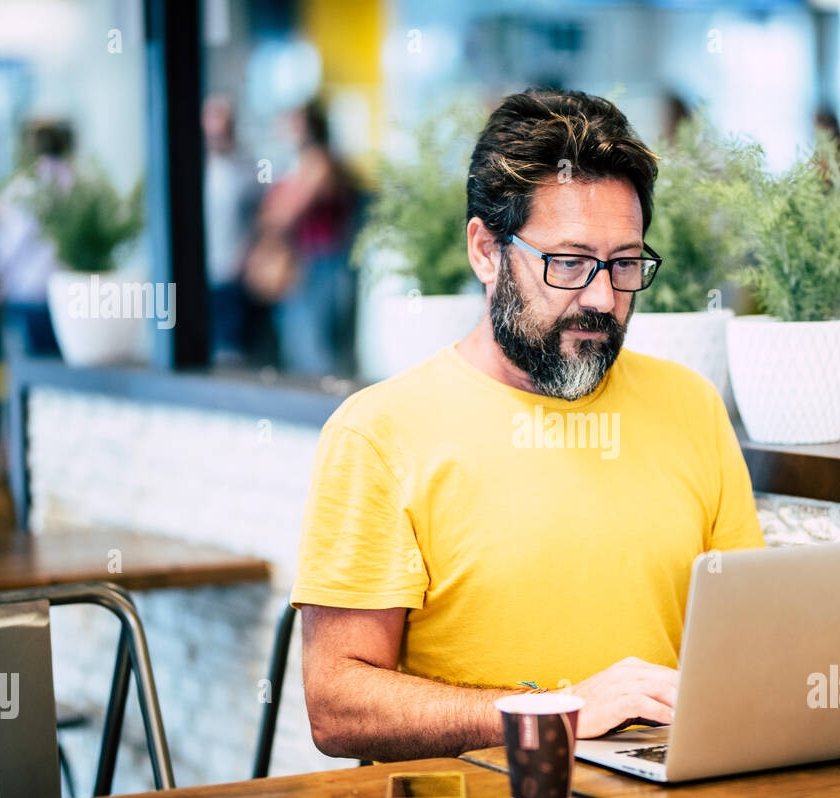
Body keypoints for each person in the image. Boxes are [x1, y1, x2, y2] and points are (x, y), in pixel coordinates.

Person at [292, 88, 765, 763]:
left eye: (625, 264)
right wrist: (554, 713)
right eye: (569, 263)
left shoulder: (690, 405)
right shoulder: (378, 434)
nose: (602, 297)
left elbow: (748, 641)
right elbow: (336, 705)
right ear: (486, 251)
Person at [253, 100, 357, 376]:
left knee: (316, 348)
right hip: (303, 263)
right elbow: (272, 212)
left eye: (294, 123)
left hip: (323, 264)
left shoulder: (320, 162)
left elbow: (287, 211)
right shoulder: (297, 164)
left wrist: (280, 203)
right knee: (299, 344)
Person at [0, 120, 73, 357]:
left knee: (29, 369)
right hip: (68, 290)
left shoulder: (23, 188)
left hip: (28, 292)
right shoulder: (76, 182)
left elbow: (9, 245)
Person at [202, 95, 259, 366]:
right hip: (198, 277)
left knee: (231, 354)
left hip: (233, 275)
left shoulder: (246, 169)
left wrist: (245, 256)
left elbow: (258, 219)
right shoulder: (189, 168)